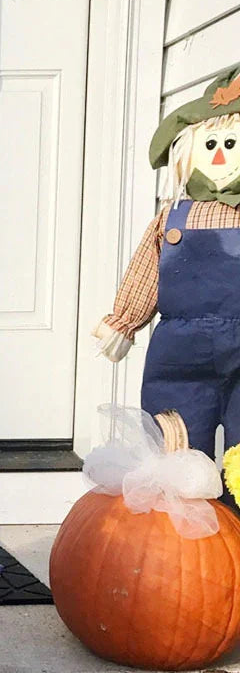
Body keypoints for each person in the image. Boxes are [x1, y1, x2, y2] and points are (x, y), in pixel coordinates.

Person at [94, 64, 240, 459]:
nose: (222, 155)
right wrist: (124, 320)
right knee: (175, 436)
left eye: (231, 143)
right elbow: (147, 269)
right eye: (211, 145)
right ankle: (181, 514)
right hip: (179, 348)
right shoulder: (171, 216)